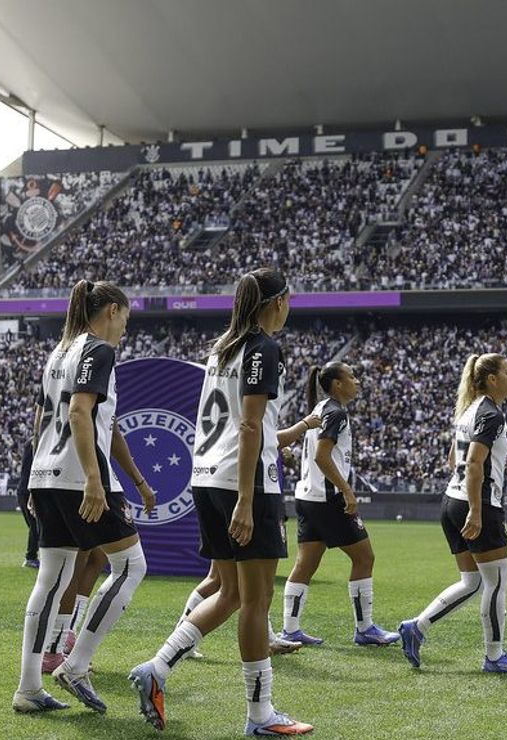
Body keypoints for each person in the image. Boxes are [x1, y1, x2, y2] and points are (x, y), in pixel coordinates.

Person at [127, 268, 314, 735]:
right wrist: (247, 502)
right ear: (278, 302)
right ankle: (260, 715)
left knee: (230, 593)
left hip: (207, 476)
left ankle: (158, 668)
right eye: (288, 300)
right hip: (241, 481)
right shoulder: (263, 348)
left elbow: (250, 424)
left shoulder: (222, 348)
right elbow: (250, 426)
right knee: (256, 599)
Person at [13, 279, 156, 714]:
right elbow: (79, 412)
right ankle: (76, 664)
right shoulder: (98, 350)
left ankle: (29, 688)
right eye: (126, 320)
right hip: (79, 478)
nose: (125, 330)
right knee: (130, 566)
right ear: (111, 310)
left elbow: (47, 420)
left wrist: (35, 480)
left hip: (47, 474)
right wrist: (95, 480)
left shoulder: (58, 352)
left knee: (51, 579)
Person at [397, 353, 507, 673]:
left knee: (472, 581)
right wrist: (476, 509)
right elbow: (473, 463)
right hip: (478, 503)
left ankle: (416, 627)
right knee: (496, 583)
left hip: (451, 500)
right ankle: (495, 656)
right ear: (492, 380)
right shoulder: (490, 414)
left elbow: (451, 460)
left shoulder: (468, 412)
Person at [280, 362, 399, 646]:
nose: (357, 381)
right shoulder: (336, 412)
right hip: (327, 499)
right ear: (337, 384)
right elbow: (323, 456)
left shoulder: (319, 409)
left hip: (307, 497)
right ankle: (365, 628)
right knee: (364, 558)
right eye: (352, 376)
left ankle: (290, 629)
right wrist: (347, 491)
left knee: (305, 564)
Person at [15, 440, 39, 568]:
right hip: (30, 488)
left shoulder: (30, 442)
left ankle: (33, 556)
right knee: (36, 526)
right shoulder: (37, 442)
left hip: (24, 488)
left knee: (35, 526)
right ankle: (31, 557)